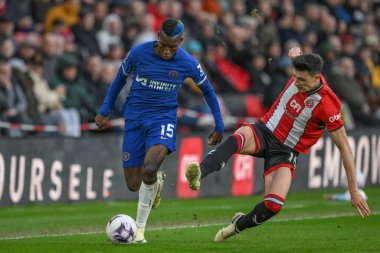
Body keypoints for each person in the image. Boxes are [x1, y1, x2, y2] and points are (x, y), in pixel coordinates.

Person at [185, 47, 371, 242]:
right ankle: (200, 171)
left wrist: (354, 190)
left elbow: (345, 148)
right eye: (295, 78)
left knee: (273, 205)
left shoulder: (327, 103)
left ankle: (237, 225)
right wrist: (294, 52)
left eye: (302, 80)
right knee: (239, 137)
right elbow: (296, 56)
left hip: (286, 151)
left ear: (316, 78)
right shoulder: (301, 67)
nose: (296, 83)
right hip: (266, 130)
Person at [95, 18, 224, 243]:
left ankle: (140, 232)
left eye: (172, 47)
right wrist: (105, 109)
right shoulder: (138, 53)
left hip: (163, 119)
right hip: (134, 119)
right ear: (158, 37)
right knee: (134, 184)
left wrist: (219, 124)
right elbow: (119, 80)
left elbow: (208, 90)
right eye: (163, 44)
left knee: (150, 167)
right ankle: (157, 183)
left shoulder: (188, 62)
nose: (166, 51)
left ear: (181, 42)